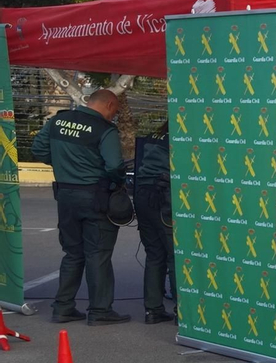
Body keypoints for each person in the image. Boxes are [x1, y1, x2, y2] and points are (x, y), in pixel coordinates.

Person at [30, 89, 128, 325]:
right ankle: (100, 311)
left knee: (73, 253)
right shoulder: (105, 129)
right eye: (115, 110)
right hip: (95, 197)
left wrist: (66, 165)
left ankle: (63, 308)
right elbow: (114, 165)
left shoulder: (57, 120)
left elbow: (39, 150)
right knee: (98, 254)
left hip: (65, 195)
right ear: (110, 104)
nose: (114, 115)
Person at [134, 123, 175, 324]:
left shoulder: (153, 134)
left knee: (154, 255)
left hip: (143, 194)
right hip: (164, 197)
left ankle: (153, 310)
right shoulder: (180, 137)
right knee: (175, 256)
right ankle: (183, 312)